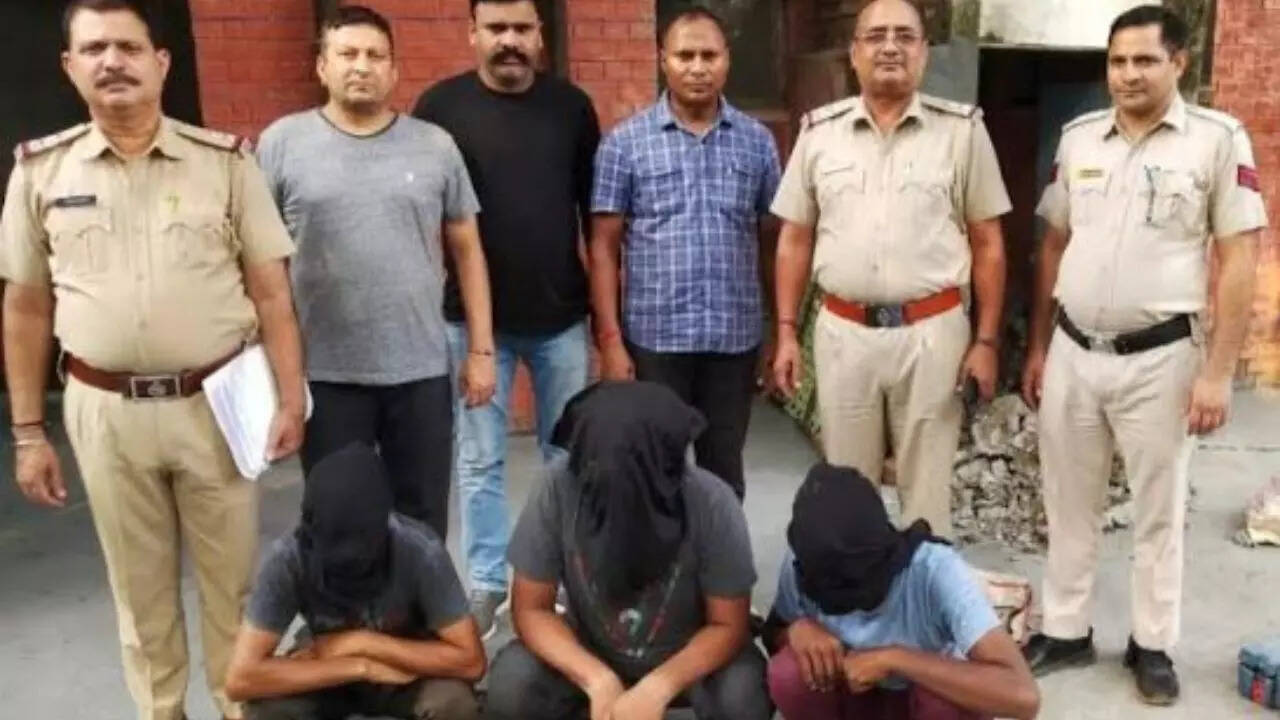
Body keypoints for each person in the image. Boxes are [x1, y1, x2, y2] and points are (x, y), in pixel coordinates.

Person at [0, 2, 307, 718]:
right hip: (106, 411)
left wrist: (291, 399)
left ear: (161, 63)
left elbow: (272, 292)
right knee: (140, 595)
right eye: (94, 49)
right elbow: (25, 307)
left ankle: (239, 709)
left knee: (234, 587)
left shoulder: (225, 163)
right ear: (70, 67)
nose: (113, 62)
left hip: (215, 405)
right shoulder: (41, 172)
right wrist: (27, 432)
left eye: (129, 47)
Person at [1018, 5, 1268, 705]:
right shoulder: (1079, 139)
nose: (1128, 74)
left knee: (1158, 511)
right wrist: (1037, 345)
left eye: (1145, 61)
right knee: (1067, 502)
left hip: (1162, 359)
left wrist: (1217, 373)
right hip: (1073, 350)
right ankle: (1065, 629)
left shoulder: (1216, 141)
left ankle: (1152, 643)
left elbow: (1239, 258)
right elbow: (1053, 243)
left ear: (1178, 63)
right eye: (1118, 61)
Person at [770, 0, 1010, 538]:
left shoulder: (962, 133)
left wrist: (986, 341)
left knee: (926, 498)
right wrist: (786, 332)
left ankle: (921, 587)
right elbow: (794, 239)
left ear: (924, 52)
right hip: (843, 333)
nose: (890, 47)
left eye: (905, 36)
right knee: (847, 492)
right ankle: (859, 590)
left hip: (933, 335)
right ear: (854, 53)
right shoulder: (819, 133)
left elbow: (989, 243)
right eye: (876, 36)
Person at [256, 4, 496, 539]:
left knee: (423, 521)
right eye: (347, 54)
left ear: (394, 70)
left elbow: (468, 250)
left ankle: (420, 599)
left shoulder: (434, 146)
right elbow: (259, 265)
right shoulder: (281, 144)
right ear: (322, 66)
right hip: (326, 375)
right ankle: (344, 599)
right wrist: (278, 374)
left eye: (375, 55)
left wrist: (481, 351)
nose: (361, 66)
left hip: (420, 370)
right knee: (338, 520)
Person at [411, 0, 600, 635]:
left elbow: (594, 219)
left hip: (561, 318)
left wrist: (604, 321)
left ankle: (564, 577)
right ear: (473, 34)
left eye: (522, 29)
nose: (510, 41)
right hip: (470, 326)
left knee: (565, 457)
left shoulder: (572, 108)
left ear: (540, 36)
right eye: (496, 29)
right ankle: (488, 582)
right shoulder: (439, 109)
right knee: (479, 461)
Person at [485, 381, 773, 720]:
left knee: (743, 696)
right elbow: (531, 609)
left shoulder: (712, 501)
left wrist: (660, 686)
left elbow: (728, 624)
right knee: (512, 686)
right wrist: (595, 678)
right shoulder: (557, 487)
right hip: (590, 651)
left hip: (686, 656)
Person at [589, 7, 782, 500]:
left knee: (724, 476)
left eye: (709, 56)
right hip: (655, 342)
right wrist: (610, 342)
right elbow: (604, 248)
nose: (697, 68)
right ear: (663, 61)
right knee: (655, 474)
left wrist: (778, 332)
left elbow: (772, 243)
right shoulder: (624, 145)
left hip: (733, 340)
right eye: (685, 56)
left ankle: (720, 554)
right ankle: (660, 556)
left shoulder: (757, 144)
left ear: (727, 60)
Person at [224, 444, 485, 720]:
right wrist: (360, 667)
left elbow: (472, 662)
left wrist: (362, 643)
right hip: (330, 663)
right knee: (268, 710)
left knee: (453, 703)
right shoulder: (290, 558)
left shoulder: (420, 550)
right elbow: (240, 679)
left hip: (403, 666)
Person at [766, 463, 1040, 720]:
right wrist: (796, 630)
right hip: (854, 697)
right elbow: (773, 632)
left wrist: (895, 659)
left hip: (922, 704)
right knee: (788, 673)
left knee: (944, 699)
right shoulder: (804, 563)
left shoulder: (934, 570)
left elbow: (1023, 696)